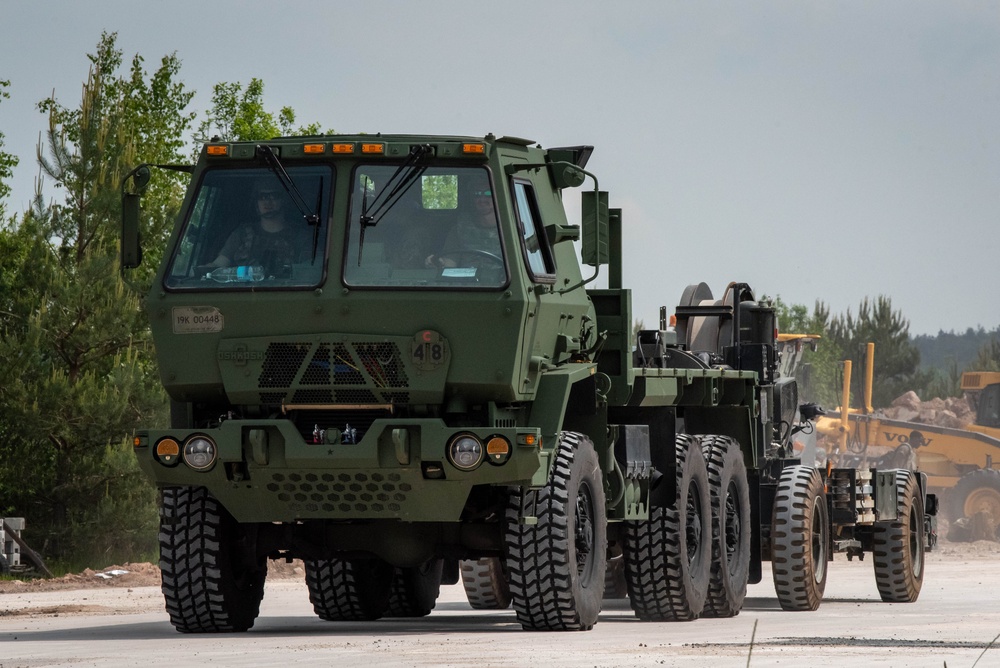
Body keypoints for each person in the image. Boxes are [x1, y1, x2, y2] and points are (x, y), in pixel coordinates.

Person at [202, 179, 312, 277]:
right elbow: (219, 265)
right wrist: (203, 271)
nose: (267, 201)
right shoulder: (242, 234)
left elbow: (312, 270)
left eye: (274, 195)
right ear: (256, 202)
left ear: (284, 200)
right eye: (262, 197)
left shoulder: (300, 237)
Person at [424, 187, 502, 269]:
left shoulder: (511, 228)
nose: (482, 199)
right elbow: (450, 262)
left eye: (489, 194)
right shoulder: (460, 228)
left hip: (504, 280)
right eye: (477, 194)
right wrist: (438, 263)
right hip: (469, 280)